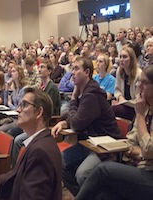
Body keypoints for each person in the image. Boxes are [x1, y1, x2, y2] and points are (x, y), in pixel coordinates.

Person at [75, 65, 153, 200]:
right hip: (137, 166)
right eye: (139, 81)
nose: (139, 86)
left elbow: (147, 149)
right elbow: (130, 142)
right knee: (102, 195)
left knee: (102, 170)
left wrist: (139, 116)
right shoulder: (145, 109)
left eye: (145, 83)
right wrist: (140, 153)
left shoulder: (141, 111)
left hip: (149, 174)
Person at [51, 56, 121, 196]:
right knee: (60, 161)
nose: (72, 72)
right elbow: (78, 118)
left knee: (82, 174)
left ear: (87, 72)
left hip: (106, 147)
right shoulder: (84, 92)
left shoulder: (91, 94)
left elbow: (77, 123)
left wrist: (72, 99)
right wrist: (65, 122)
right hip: (90, 143)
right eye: (72, 68)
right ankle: (83, 196)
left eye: (76, 69)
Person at [0, 88, 62, 200]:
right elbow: (18, 174)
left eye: (24, 105)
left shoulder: (40, 152)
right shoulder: (39, 142)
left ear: (39, 112)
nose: (18, 110)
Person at [112, 46, 142, 121]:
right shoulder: (119, 70)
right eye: (120, 57)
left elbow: (138, 98)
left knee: (111, 110)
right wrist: (120, 98)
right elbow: (117, 90)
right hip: (122, 103)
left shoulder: (139, 74)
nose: (121, 60)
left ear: (131, 59)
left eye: (125, 57)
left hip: (134, 107)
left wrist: (123, 103)